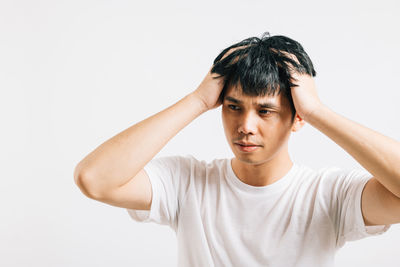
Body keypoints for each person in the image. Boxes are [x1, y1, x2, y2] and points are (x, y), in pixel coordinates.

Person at [73, 32, 400, 267]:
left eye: (265, 111)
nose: (246, 125)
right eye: (233, 107)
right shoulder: (188, 182)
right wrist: (197, 100)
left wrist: (317, 111)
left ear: (296, 118)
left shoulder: (330, 194)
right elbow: (94, 179)